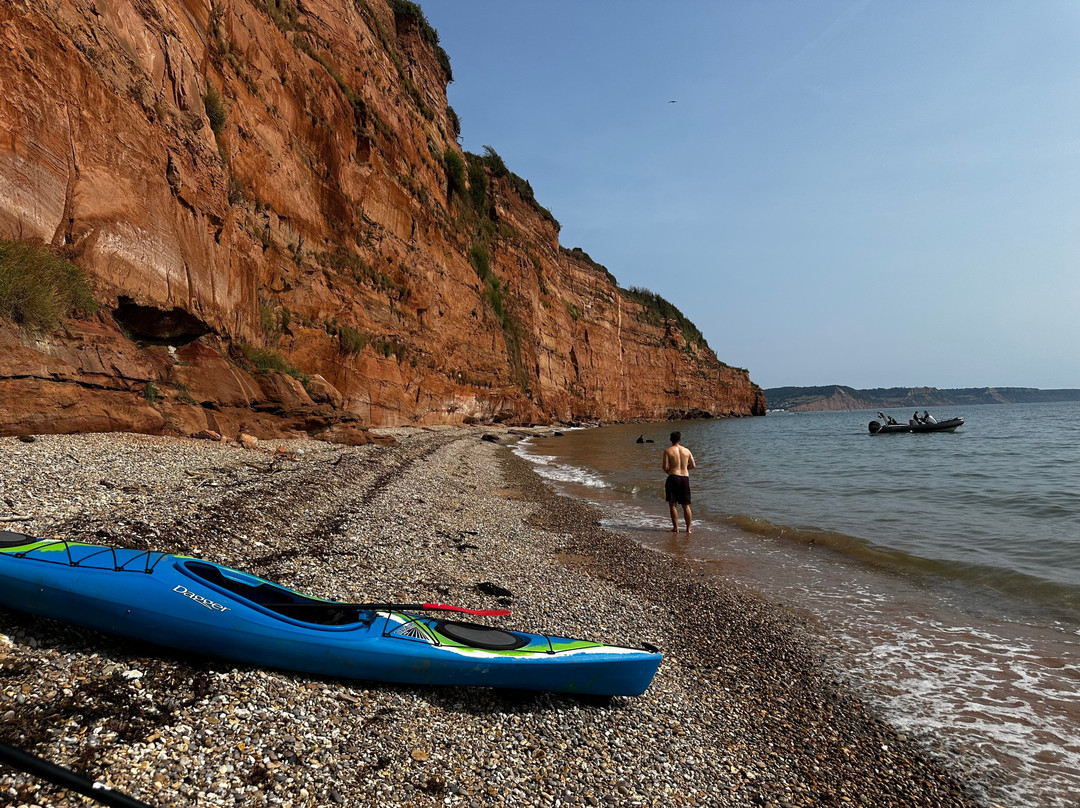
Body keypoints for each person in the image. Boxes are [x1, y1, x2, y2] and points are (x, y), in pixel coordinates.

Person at [662, 431, 696, 533]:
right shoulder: (687, 451)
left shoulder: (668, 451)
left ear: (670, 439)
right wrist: (685, 470)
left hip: (673, 477)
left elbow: (665, 467)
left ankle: (676, 528)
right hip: (685, 478)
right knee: (686, 505)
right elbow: (693, 465)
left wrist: (670, 472)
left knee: (673, 504)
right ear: (680, 439)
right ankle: (688, 529)